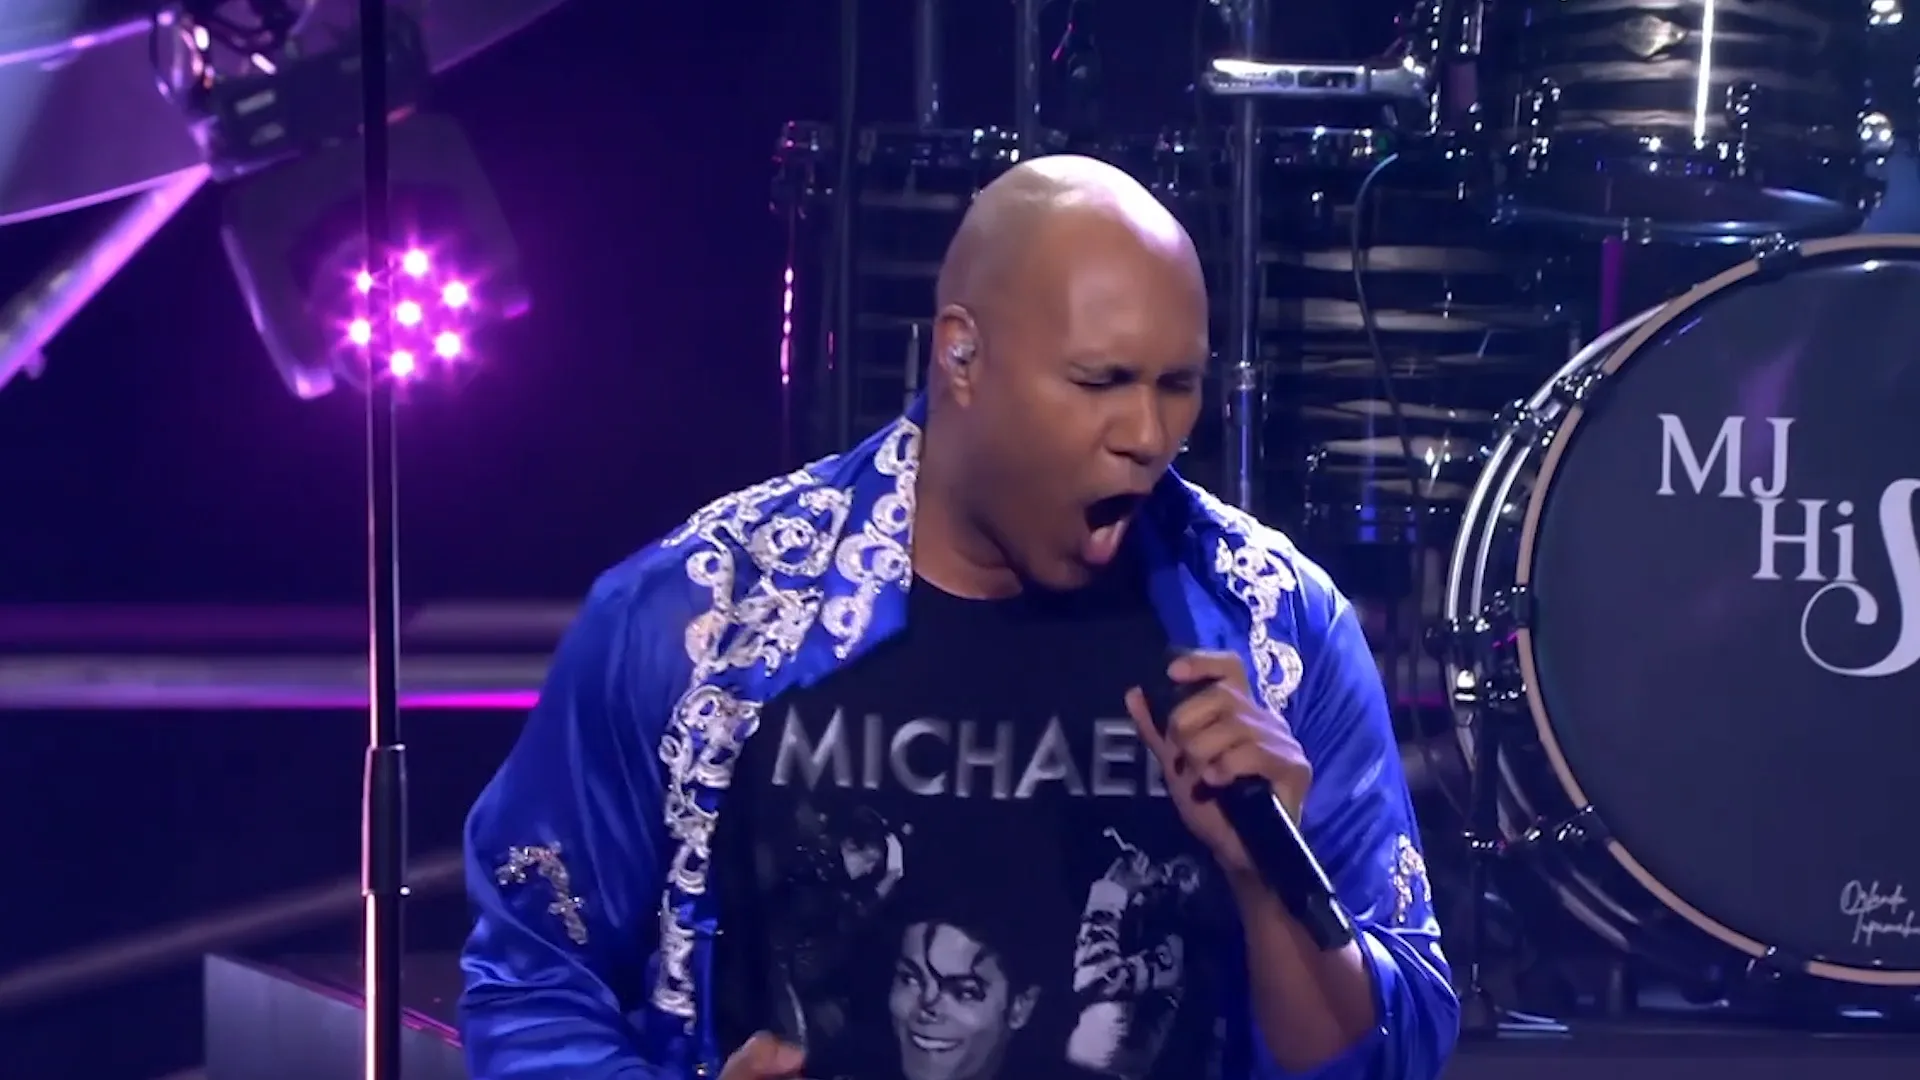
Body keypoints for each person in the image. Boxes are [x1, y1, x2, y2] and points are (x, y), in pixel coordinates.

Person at [458, 154, 1458, 1080]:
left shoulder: (1276, 631)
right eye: (1101, 382)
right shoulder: (708, 618)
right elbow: (534, 984)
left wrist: (1268, 885)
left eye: (1178, 387)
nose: (1147, 435)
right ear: (961, 355)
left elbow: (1398, 1047)